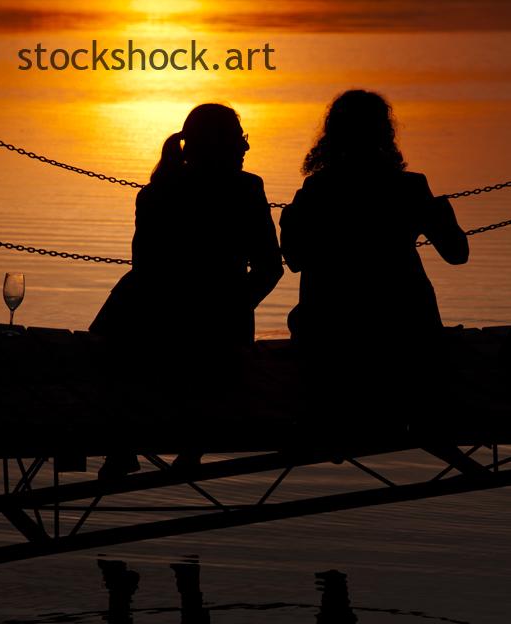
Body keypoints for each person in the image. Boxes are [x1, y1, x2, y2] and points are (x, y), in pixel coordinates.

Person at [91, 103, 283, 478]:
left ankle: (123, 443)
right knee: (195, 353)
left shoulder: (155, 192)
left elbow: (143, 268)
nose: (245, 149)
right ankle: (187, 444)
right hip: (216, 323)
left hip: (151, 315)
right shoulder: (246, 189)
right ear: (220, 144)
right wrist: (234, 306)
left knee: (110, 339)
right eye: (239, 140)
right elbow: (270, 267)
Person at [280, 89, 469, 432]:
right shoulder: (411, 187)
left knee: (304, 322)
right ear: (385, 133)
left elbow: (294, 259)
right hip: (406, 331)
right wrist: (439, 211)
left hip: (332, 335)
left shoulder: (317, 189)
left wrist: (291, 222)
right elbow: (457, 254)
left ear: (332, 135)